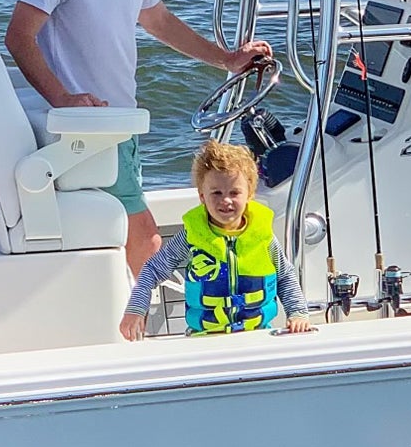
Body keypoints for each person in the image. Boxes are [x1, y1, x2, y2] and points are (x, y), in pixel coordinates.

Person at [4, 0, 272, 277]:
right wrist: (64, 99)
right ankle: (146, 337)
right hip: (88, 129)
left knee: (136, 236)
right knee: (147, 241)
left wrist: (226, 59)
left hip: (120, 123)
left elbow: (157, 19)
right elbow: (18, 35)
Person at [119, 141, 312, 341]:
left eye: (234, 193)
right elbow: (152, 269)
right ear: (202, 197)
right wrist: (137, 307)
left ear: (250, 195)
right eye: (216, 193)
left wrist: (297, 312)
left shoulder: (263, 237)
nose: (225, 200)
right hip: (204, 337)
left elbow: (285, 276)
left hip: (257, 334)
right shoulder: (190, 235)